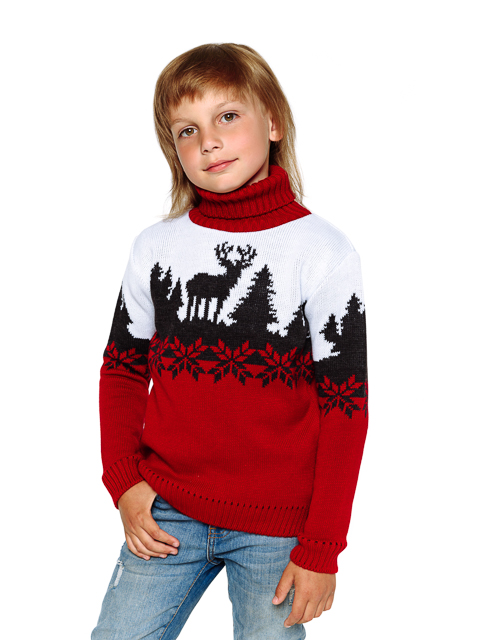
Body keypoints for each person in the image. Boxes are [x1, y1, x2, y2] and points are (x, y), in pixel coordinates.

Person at [91, 43, 369, 640]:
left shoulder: (323, 252)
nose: (209, 142)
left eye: (228, 116)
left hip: (276, 526)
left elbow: (345, 406)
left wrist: (322, 546)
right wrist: (124, 481)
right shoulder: (156, 248)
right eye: (187, 130)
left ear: (273, 123)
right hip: (167, 509)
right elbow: (122, 370)